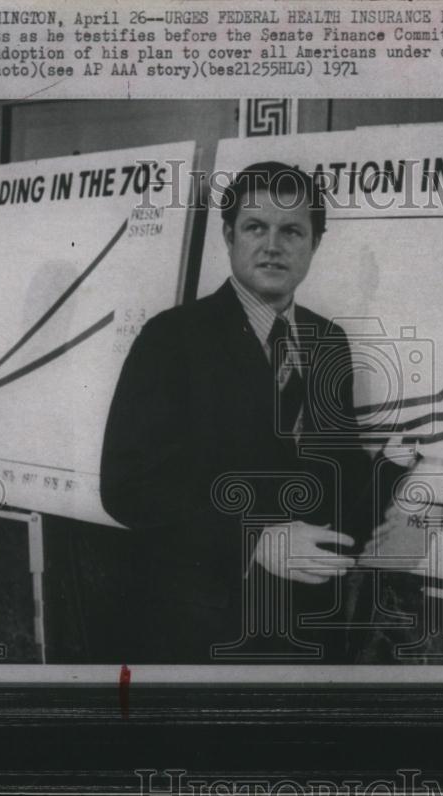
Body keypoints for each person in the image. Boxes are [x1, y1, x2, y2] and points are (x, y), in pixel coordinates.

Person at [100, 162, 401, 663]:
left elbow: (338, 474)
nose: (272, 245)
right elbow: (128, 488)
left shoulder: (329, 343)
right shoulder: (172, 338)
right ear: (228, 235)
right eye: (255, 227)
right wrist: (255, 539)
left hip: (306, 629)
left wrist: (398, 483)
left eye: (292, 231)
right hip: (200, 630)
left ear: (315, 243)